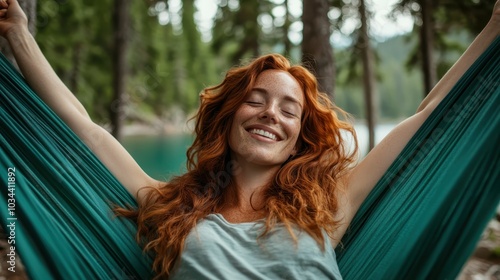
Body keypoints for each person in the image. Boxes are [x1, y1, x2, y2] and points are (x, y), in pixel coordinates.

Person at [0, 0, 498, 278]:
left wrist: (495, 28)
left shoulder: (329, 205)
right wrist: (19, 36)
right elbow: (86, 130)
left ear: (299, 137)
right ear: (230, 115)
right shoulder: (171, 208)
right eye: (256, 99)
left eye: (289, 110)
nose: (270, 116)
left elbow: (431, 118)